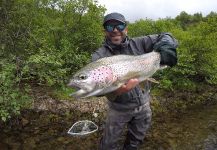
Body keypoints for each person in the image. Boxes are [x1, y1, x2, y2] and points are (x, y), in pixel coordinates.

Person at [91, 12, 178, 150]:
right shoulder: (99, 56)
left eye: (119, 25)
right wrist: (117, 91)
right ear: (104, 31)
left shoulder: (140, 43)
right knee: (108, 145)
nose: (115, 30)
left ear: (126, 29)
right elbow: (96, 89)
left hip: (143, 106)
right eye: (109, 27)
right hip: (118, 109)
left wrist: (166, 45)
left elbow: (167, 35)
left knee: (135, 142)